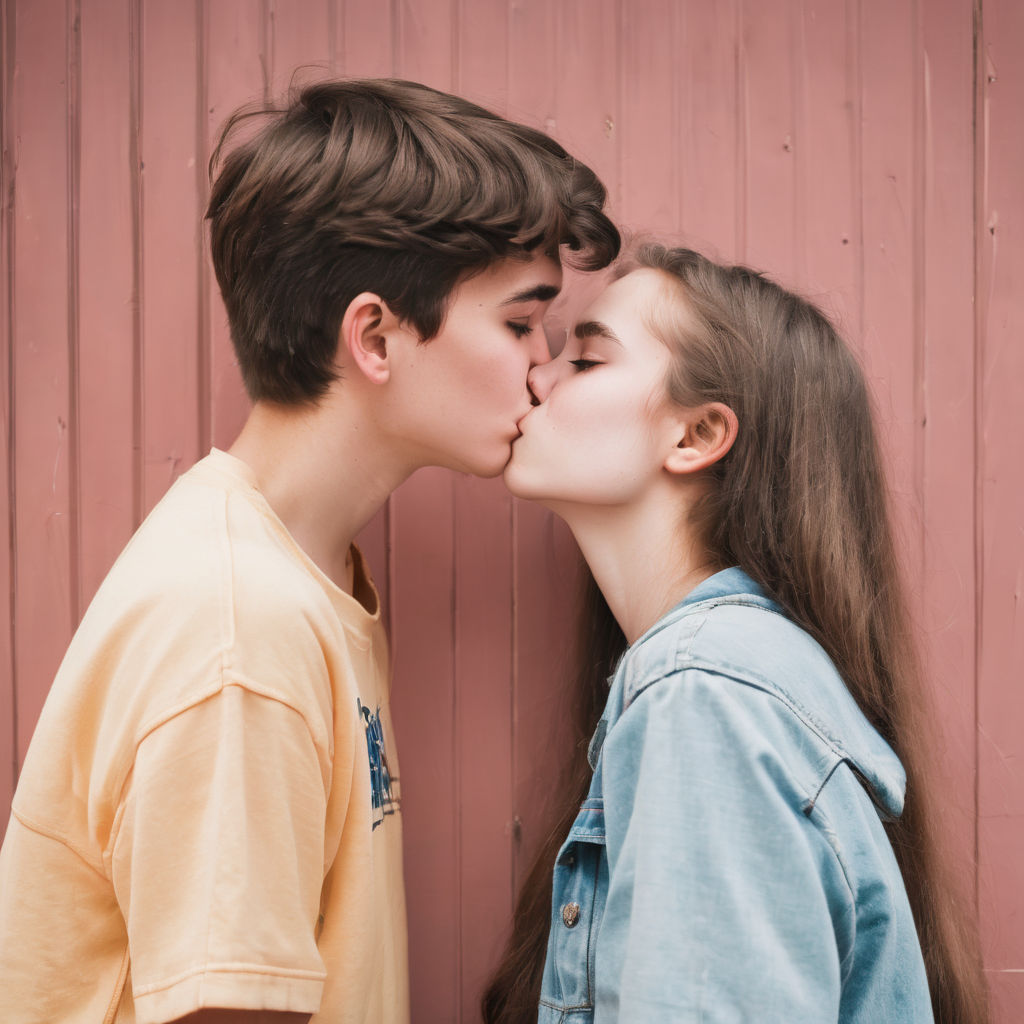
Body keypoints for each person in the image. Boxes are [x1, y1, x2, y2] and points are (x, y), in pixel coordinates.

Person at [0, 79, 619, 1024]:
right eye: (518, 320)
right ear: (375, 335)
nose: (544, 359)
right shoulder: (241, 633)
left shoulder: (287, 581)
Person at [485, 245, 988, 1022]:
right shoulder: (723, 681)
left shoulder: (703, 694)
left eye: (585, 360)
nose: (537, 374)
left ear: (696, 435)